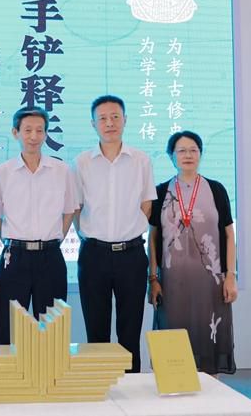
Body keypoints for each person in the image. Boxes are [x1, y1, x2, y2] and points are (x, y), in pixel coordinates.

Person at [73, 94, 156, 373]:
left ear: (125, 120)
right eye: (103, 118)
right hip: (94, 254)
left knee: (130, 330)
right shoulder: (82, 162)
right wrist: (89, 236)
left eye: (115, 117)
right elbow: (76, 207)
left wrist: (128, 229)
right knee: (96, 330)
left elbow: (146, 204)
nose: (109, 123)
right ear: (93, 124)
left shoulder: (141, 160)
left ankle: (130, 386)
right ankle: (100, 388)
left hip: (131, 255)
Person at [148, 130, 237, 375]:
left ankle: (211, 391)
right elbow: (152, 238)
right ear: (171, 156)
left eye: (193, 150)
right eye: (181, 151)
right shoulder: (160, 192)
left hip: (211, 282)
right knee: (173, 337)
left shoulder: (216, 189)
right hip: (171, 282)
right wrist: (153, 279)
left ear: (200, 154)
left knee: (208, 337)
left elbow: (229, 235)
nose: (188, 155)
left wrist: (231, 275)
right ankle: (174, 387)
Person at [0, 106, 78, 344]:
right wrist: (12, 241)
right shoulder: (2, 173)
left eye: (40, 130)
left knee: (52, 332)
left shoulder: (61, 171)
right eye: (27, 130)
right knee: (9, 330)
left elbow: (69, 211)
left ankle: (51, 370)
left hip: (50, 256)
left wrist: (54, 240)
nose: (34, 136)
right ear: (15, 133)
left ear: (46, 134)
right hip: (14, 257)